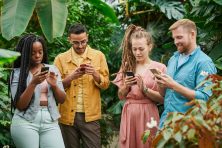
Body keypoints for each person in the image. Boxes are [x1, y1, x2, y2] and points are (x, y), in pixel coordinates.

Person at [54, 23, 109, 148]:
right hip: (67, 115)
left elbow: (106, 84)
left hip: (90, 116)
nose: (80, 46)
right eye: (76, 43)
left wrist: (95, 74)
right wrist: (71, 77)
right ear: (69, 40)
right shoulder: (60, 59)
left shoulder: (98, 56)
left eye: (83, 42)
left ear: (87, 37)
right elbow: (55, 87)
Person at [112, 24, 167, 148]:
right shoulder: (127, 66)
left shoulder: (159, 68)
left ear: (150, 47)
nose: (137, 52)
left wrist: (145, 90)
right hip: (129, 113)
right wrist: (125, 87)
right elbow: (120, 96)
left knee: (148, 143)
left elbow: (163, 99)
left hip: (148, 112)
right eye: (134, 49)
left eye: (141, 49)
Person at [157, 19, 217, 128]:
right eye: (174, 38)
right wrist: (161, 83)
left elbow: (206, 99)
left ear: (192, 34)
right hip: (165, 123)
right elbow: (165, 95)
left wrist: (173, 85)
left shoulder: (204, 63)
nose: (175, 42)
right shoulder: (173, 59)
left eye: (179, 37)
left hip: (187, 127)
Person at [9, 34, 66, 148]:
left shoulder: (53, 69)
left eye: (40, 52)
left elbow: (62, 99)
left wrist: (54, 86)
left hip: (50, 120)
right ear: (25, 54)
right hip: (25, 121)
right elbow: (20, 105)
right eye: (33, 53)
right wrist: (33, 83)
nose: (37, 55)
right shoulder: (17, 74)